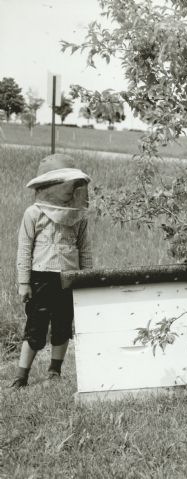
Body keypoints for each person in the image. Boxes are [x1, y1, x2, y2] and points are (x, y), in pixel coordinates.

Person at [10, 154, 93, 389]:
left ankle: (54, 372)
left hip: (69, 277)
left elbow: (84, 249)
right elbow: (24, 249)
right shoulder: (33, 213)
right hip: (41, 277)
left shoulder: (78, 216)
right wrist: (23, 283)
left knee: (63, 325)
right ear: (49, 186)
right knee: (36, 327)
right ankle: (21, 376)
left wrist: (87, 279)